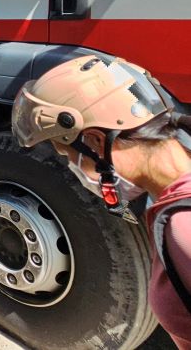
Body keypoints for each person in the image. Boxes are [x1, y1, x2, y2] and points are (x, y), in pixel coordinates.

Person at [11, 56, 191, 347]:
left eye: (69, 157)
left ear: (95, 142)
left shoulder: (184, 228)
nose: (74, 167)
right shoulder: (172, 194)